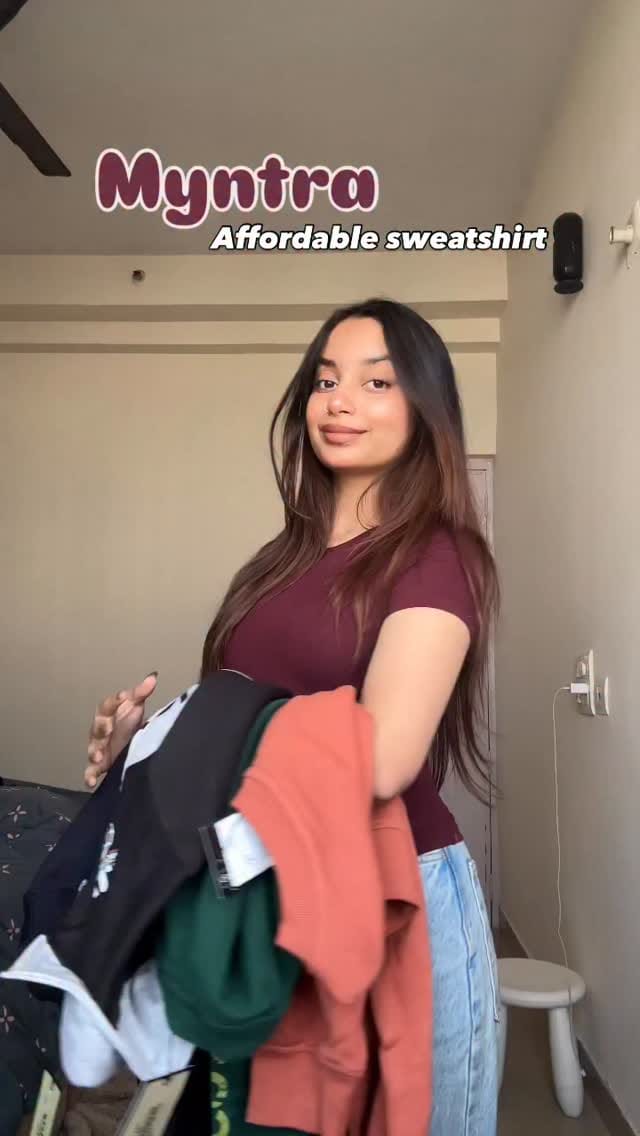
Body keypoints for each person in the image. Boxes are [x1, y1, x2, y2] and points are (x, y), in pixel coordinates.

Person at [83, 297, 501, 1136]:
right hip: (274, 881)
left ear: (425, 408)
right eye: (325, 380)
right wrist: (141, 753)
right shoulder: (281, 562)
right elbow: (232, 718)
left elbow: (382, 757)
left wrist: (210, 744)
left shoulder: (437, 556)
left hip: (397, 887)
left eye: (376, 382)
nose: (340, 402)